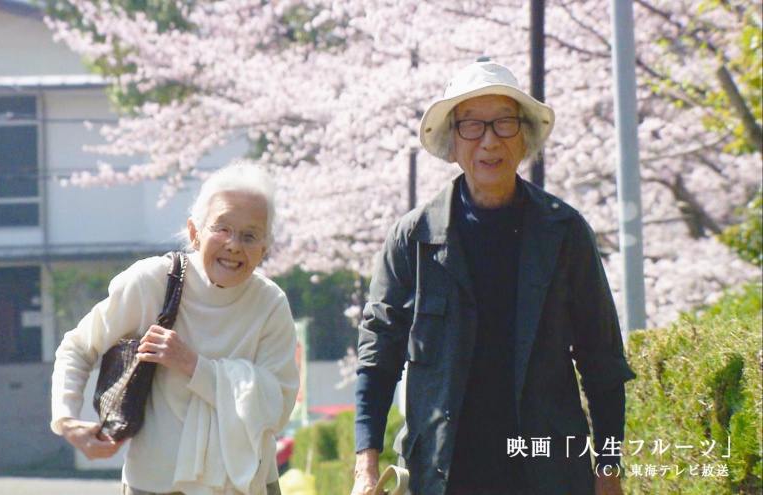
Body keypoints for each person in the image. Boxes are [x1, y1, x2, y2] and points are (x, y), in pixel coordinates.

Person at [351, 59, 636, 495]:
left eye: (504, 124)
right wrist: (365, 468)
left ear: (524, 137)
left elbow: (603, 361)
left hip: (548, 473)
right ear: (453, 141)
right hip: (444, 475)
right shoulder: (413, 238)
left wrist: (609, 468)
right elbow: (378, 356)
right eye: (472, 126)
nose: (489, 141)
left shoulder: (565, 232)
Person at [51, 162, 300, 495]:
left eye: (250, 235)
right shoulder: (153, 282)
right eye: (222, 228)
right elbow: (78, 347)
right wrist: (67, 420)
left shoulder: (270, 303)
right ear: (195, 232)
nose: (234, 245)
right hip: (155, 485)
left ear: (265, 249)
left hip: (246, 486)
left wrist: (194, 366)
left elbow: (278, 405)